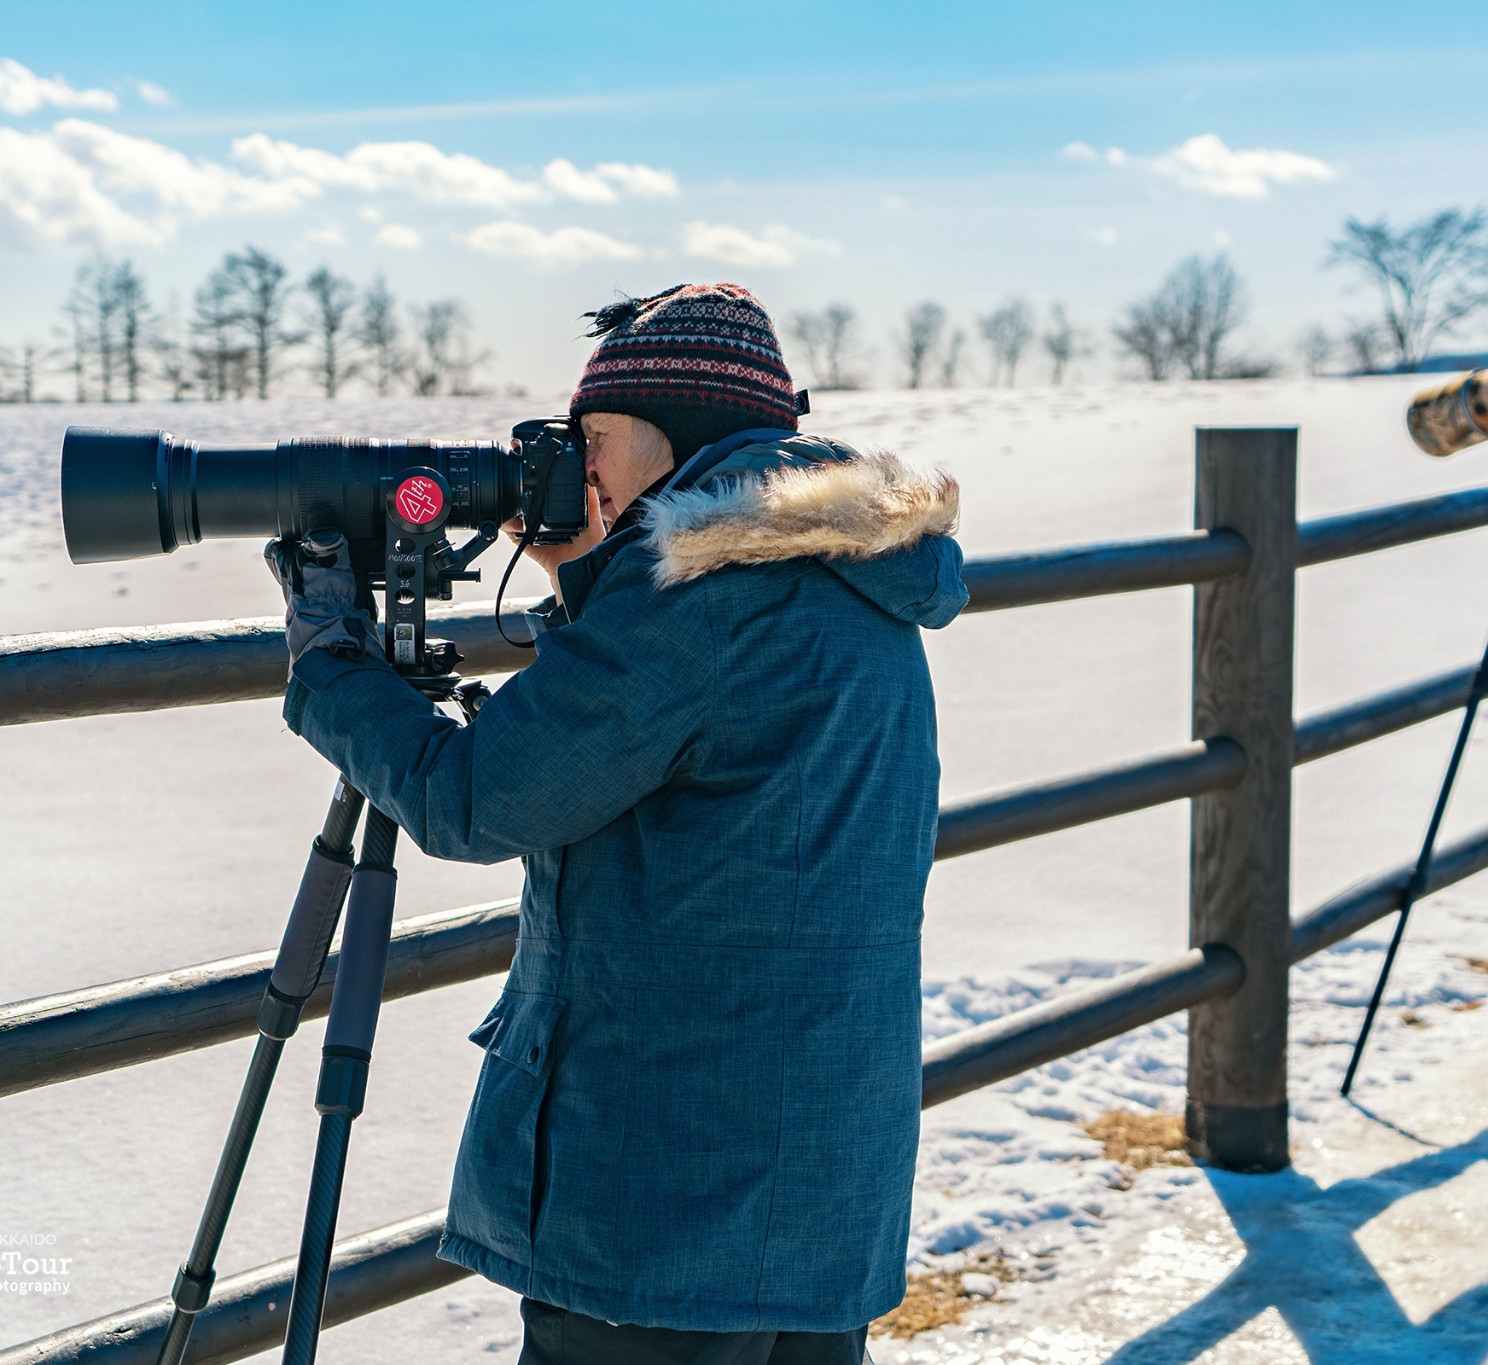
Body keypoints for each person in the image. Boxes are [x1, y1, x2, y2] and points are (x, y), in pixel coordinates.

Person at [268, 282, 968, 1362]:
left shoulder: (696, 603)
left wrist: (330, 663)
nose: (574, 465)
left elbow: (471, 799)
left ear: (667, 432)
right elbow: (707, 760)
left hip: (664, 1196)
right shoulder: (845, 566)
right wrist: (598, 585)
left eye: (593, 435)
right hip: (820, 1176)